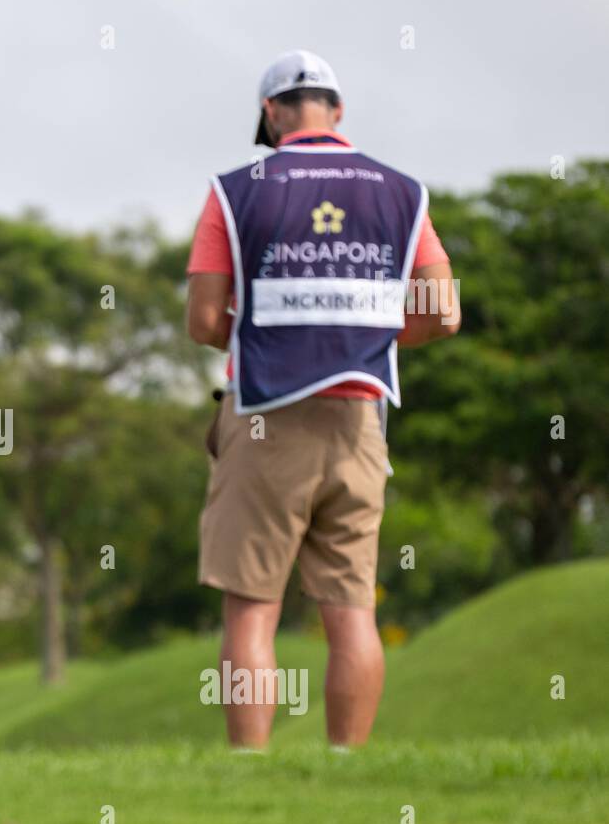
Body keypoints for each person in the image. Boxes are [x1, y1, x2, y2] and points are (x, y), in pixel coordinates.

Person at [185, 49, 461, 750]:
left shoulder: (234, 190)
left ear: (272, 114)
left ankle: (249, 772)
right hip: (360, 421)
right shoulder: (402, 191)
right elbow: (443, 312)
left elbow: (203, 320)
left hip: (263, 417)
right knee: (352, 610)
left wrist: (279, 331)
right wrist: (359, 339)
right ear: (337, 111)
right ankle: (346, 768)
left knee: (251, 610)